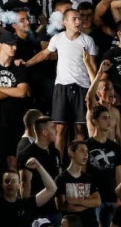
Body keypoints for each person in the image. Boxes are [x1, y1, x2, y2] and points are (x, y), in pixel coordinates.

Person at [26, 8, 98, 153]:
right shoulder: (57, 38)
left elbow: (94, 66)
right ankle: (58, 162)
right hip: (61, 87)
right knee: (60, 128)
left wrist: (93, 89)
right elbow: (44, 54)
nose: (78, 21)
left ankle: (79, 160)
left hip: (82, 87)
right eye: (74, 19)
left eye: (79, 18)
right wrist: (26, 64)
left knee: (79, 128)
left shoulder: (88, 40)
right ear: (65, 22)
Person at [0, 31, 29, 175]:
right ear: (1, 45)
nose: (14, 48)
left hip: (15, 120)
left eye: (15, 45)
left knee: (14, 162)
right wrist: (12, 90)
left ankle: (16, 190)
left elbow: (22, 92)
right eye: (10, 44)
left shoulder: (19, 66)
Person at [0, 158, 58, 226]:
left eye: (13, 181)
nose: (10, 184)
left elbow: (52, 189)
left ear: (19, 185)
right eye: (7, 181)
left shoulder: (26, 204)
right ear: (2, 185)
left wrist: (39, 167)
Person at [84, 105, 121, 227]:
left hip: (111, 198)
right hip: (93, 198)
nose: (108, 121)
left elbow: (118, 175)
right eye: (104, 118)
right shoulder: (86, 146)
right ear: (94, 121)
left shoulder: (115, 147)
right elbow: (83, 173)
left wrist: (120, 197)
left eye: (109, 118)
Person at [18, 116, 61, 223]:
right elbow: (25, 184)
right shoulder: (27, 154)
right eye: (53, 128)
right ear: (44, 132)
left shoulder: (55, 152)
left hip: (55, 209)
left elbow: (59, 178)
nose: (56, 131)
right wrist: (26, 211)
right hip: (38, 211)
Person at [55, 140, 101, 227]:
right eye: (82, 151)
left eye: (87, 151)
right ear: (71, 153)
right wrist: (88, 203)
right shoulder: (61, 179)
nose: (86, 154)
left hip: (91, 223)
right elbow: (63, 207)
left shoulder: (89, 178)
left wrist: (77, 201)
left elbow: (97, 202)